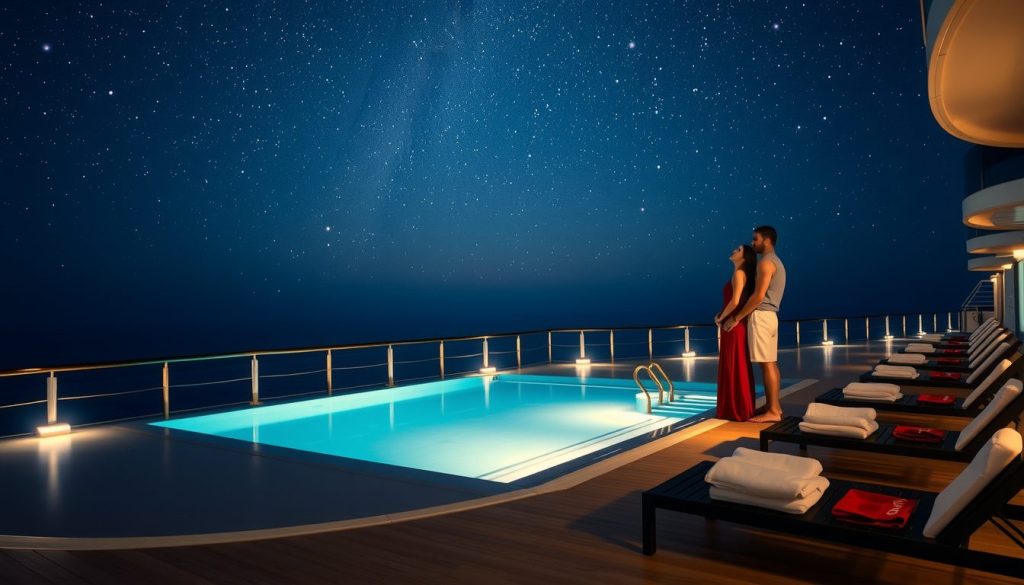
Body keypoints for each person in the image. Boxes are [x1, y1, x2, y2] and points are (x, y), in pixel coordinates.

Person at [723, 226, 786, 423]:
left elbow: (758, 297)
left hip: (762, 316)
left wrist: (737, 317)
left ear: (766, 240)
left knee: (766, 364)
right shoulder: (777, 262)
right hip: (771, 316)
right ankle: (772, 406)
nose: (753, 243)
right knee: (770, 364)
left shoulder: (766, 263)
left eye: (755, 239)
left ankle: (774, 411)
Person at [713, 244, 758, 421]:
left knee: (734, 364)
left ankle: (735, 408)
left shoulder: (739, 274)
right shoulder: (740, 274)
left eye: (738, 250)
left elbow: (735, 301)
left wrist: (720, 317)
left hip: (732, 325)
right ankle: (738, 406)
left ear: (744, 257)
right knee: (737, 363)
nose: (733, 250)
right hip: (735, 324)